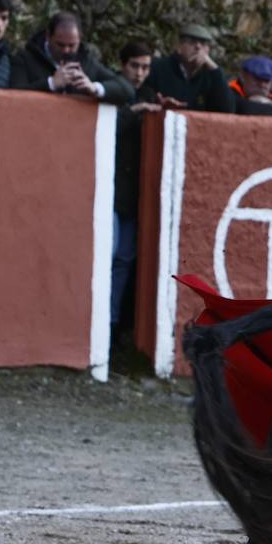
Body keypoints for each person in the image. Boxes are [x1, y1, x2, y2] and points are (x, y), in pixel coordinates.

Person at [110, 41, 160, 340]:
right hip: (113, 192)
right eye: (135, 66)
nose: (140, 73)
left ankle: (113, 323)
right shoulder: (113, 90)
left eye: (145, 67)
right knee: (113, 256)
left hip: (131, 194)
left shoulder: (148, 95)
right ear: (123, 65)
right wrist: (135, 111)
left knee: (124, 259)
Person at [9, 11, 132, 103]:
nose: (66, 50)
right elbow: (14, 94)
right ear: (48, 37)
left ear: (80, 39)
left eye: (72, 45)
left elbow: (126, 90)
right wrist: (50, 83)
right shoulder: (25, 58)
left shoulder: (86, 61)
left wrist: (94, 87)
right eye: (60, 45)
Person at [142, 23, 234, 113]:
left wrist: (215, 70)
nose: (198, 47)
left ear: (208, 50)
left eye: (203, 44)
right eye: (191, 42)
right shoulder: (158, 67)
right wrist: (158, 101)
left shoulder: (211, 76)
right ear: (179, 46)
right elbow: (143, 96)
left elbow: (227, 109)